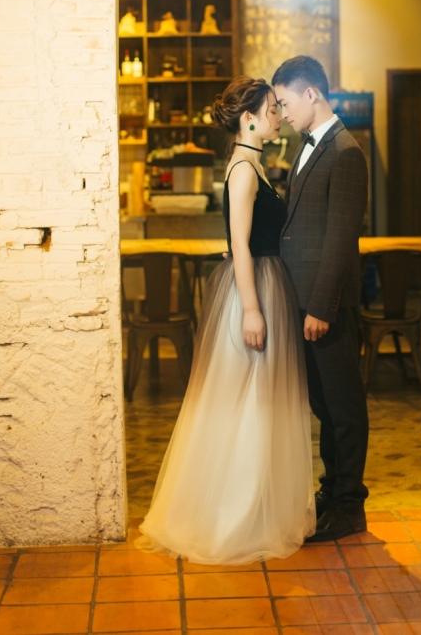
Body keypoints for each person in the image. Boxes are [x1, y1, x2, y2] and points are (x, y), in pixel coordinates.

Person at [137, 77, 315, 564]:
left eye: (280, 108)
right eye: (271, 109)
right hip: (254, 290)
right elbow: (240, 243)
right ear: (249, 119)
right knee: (249, 400)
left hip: (265, 282)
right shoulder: (243, 170)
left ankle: (257, 507)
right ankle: (235, 517)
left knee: (260, 400)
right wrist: (253, 309)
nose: (278, 115)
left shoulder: (253, 163)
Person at [272, 55, 370, 541]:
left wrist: (320, 308)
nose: (283, 113)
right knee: (324, 407)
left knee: (344, 409)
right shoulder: (309, 147)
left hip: (324, 307)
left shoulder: (346, 152)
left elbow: (340, 237)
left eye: (286, 102)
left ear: (311, 93)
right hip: (305, 301)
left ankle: (351, 506)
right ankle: (332, 492)